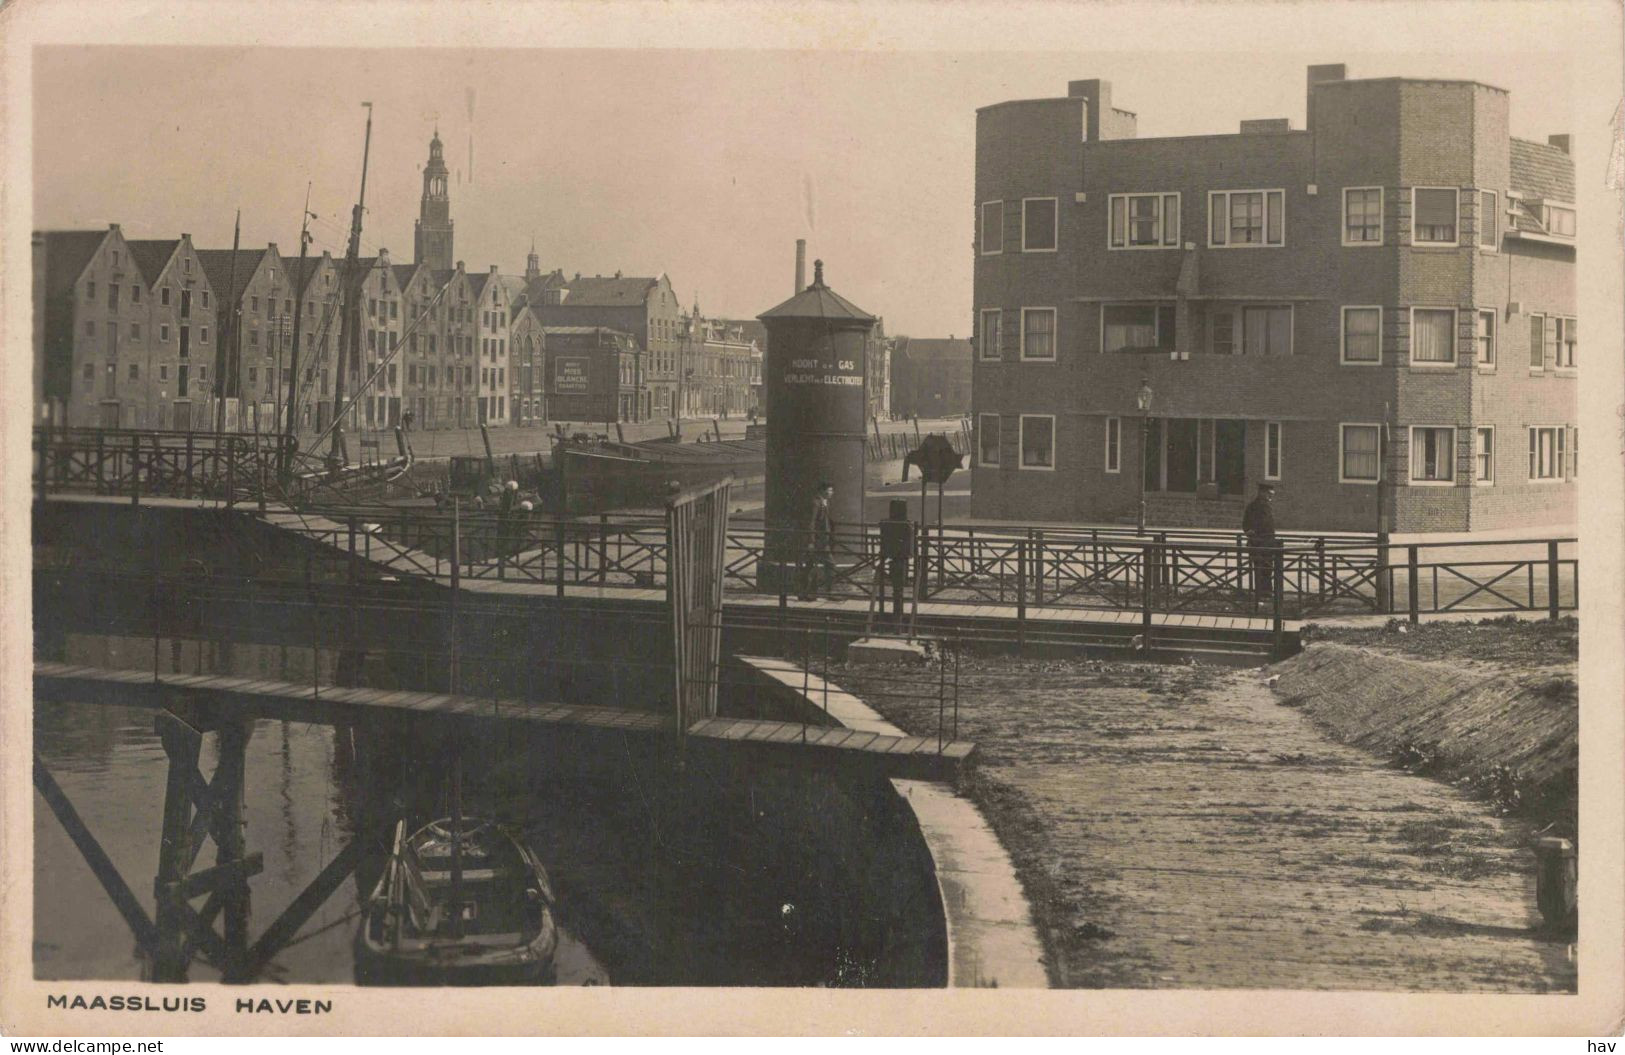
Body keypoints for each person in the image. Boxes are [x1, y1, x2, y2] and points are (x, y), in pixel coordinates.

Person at [877, 499, 914, 626]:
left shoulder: (885, 524)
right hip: (902, 560)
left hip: (890, 559)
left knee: (895, 589)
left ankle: (895, 619)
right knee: (899, 589)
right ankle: (898, 619)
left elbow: (883, 544)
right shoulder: (907, 525)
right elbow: (910, 547)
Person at [799, 481, 836, 601]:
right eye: (830, 490)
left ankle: (807, 593)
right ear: (823, 491)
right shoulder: (816, 503)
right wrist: (811, 541)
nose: (832, 493)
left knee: (810, 566)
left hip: (822, 540)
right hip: (817, 541)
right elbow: (812, 522)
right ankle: (827, 592)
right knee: (829, 564)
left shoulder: (824, 502)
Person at [1242, 481, 1279, 601]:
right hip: (1258, 543)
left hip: (1268, 543)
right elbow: (1246, 524)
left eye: (1271, 494)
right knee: (1259, 569)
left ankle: (1266, 592)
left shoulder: (1267, 506)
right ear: (1261, 493)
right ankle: (1260, 593)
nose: (1270, 496)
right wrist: (1250, 532)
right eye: (1268, 493)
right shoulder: (1253, 506)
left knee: (1268, 569)